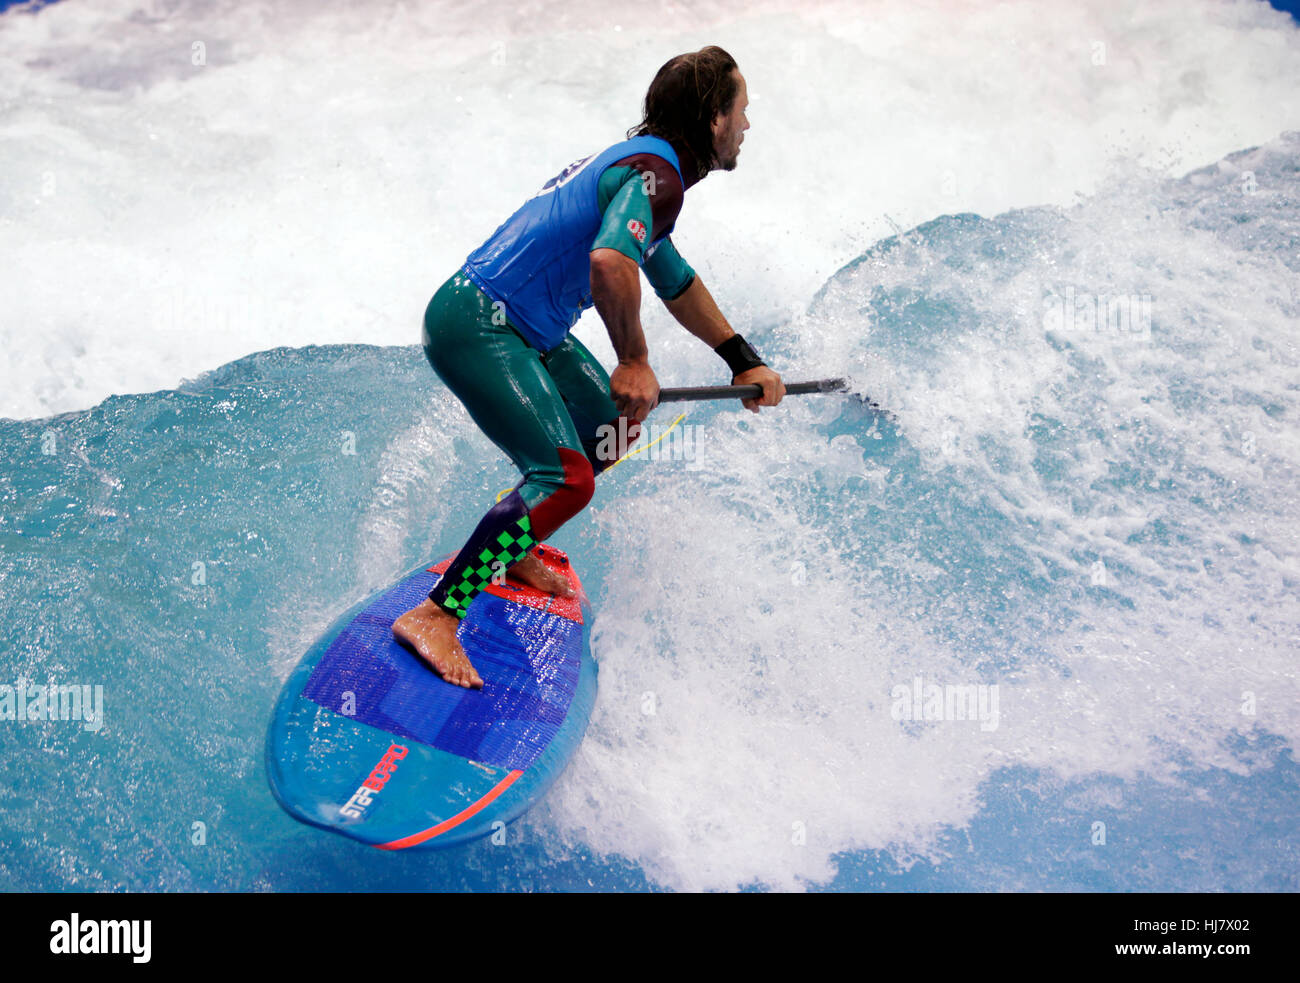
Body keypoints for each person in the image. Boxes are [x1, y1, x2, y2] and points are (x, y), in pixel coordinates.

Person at [393, 45, 785, 688]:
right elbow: (610, 262)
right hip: (480, 322)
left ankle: (511, 543)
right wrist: (634, 359)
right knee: (570, 478)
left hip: (526, 327)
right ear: (714, 117)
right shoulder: (655, 178)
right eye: (742, 110)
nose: (747, 125)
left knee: (612, 427)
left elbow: (675, 281)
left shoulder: (648, 170)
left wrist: (744, 362)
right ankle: (437, 615)